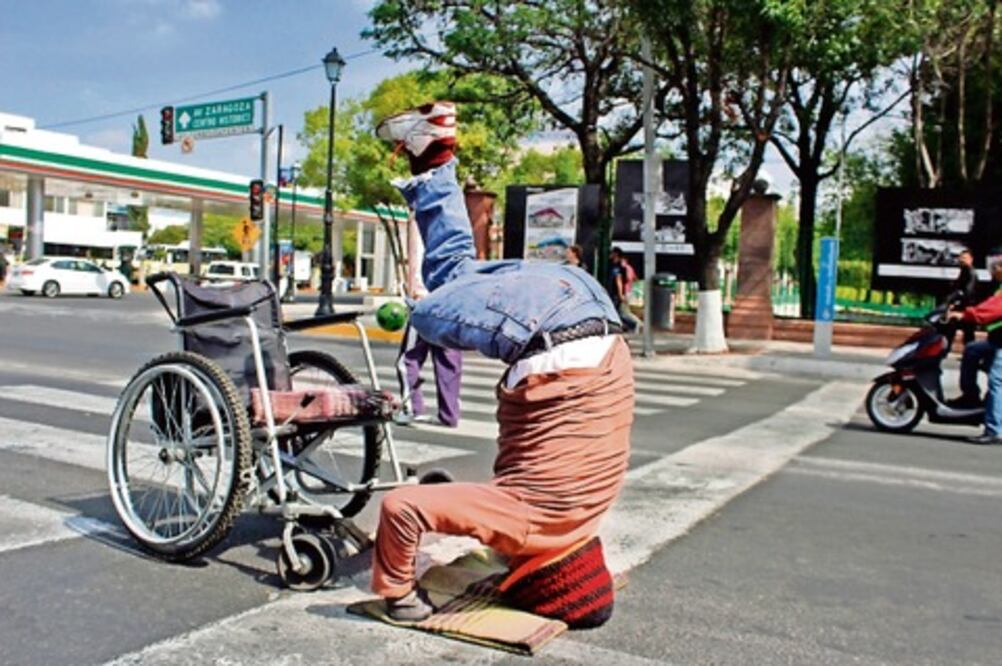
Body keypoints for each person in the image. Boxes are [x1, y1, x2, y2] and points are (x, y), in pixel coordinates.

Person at [370, 101, 633, 627]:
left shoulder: (584, 515)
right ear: (530, 575)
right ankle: (433, 155)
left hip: (592, 314)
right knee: (424, 315)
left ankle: (434, 151)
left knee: (453, 271)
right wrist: (401, 595)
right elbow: (402, 507)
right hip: (550, 331)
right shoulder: (528, 527)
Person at [394, 218, 463, 428]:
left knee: (408, 360)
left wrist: (414, 289)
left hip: (425, 302)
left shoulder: (420, 221)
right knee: (448, 359)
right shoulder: (455, 226)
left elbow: (416, 259)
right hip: (450, 302)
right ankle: (449, 414)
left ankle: (413, 409)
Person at [947, 259, 1002, 443]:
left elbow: (991, 310)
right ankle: (970, 397)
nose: (992, 273)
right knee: (971, 350)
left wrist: (965, 314)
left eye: (994, 269)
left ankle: (994, 430)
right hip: (996, 340)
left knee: (997, 380)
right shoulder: (999, 288)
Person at [947, 248, 978, 347]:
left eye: (965, 258)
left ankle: (970, 352)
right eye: (961, 258)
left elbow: (968, 292)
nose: (962, 260)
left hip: (967, 307)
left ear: (971, 259)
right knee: (953, 330)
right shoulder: (964, 272)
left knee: (967, 332)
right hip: (963, 306)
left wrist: (956, 302)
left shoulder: (971, 273)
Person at [608, 247, 640, 333]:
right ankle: (629, 326)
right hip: (618, 293)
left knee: (620, 313)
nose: (610, 255)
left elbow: (619, 281)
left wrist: (620, 294)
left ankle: (634, 323)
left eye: (612, 253)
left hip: (618, 294)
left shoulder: (618, 267)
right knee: (620, 312)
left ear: (616, 255)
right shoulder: (617, 266)